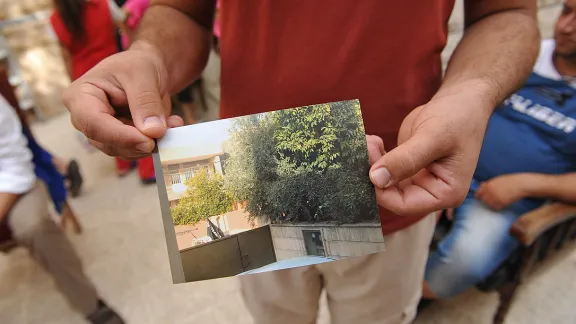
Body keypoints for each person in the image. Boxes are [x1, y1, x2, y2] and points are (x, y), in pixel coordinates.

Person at [62, 0, 540, 323]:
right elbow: (182, 8)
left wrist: (471, 93)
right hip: (249, 171)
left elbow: (507, 11)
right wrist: (148, 55)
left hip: (395, 172)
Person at [424, 2, 576, 300]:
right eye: (567, 11)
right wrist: (445, 167)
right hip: (449, 167)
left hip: (507, 201)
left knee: (467, 258)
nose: (566, 27)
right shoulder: (520, 55)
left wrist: (526, 184)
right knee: (389, 218)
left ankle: (413, 298)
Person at [0, 95, 125, 324]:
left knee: (35, 227)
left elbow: (15, 165)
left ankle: (94, 308)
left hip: (9, 183)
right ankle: (66, 169)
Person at [50, 0, 155, 183]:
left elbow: (66, 56)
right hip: (113, 67)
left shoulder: (54, 20)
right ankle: (146, 168)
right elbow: (124, 26)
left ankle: (122, 165)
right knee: (132, 117)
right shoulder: (104, 4)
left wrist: (73, 84)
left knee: (104, 120)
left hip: (84, 75)